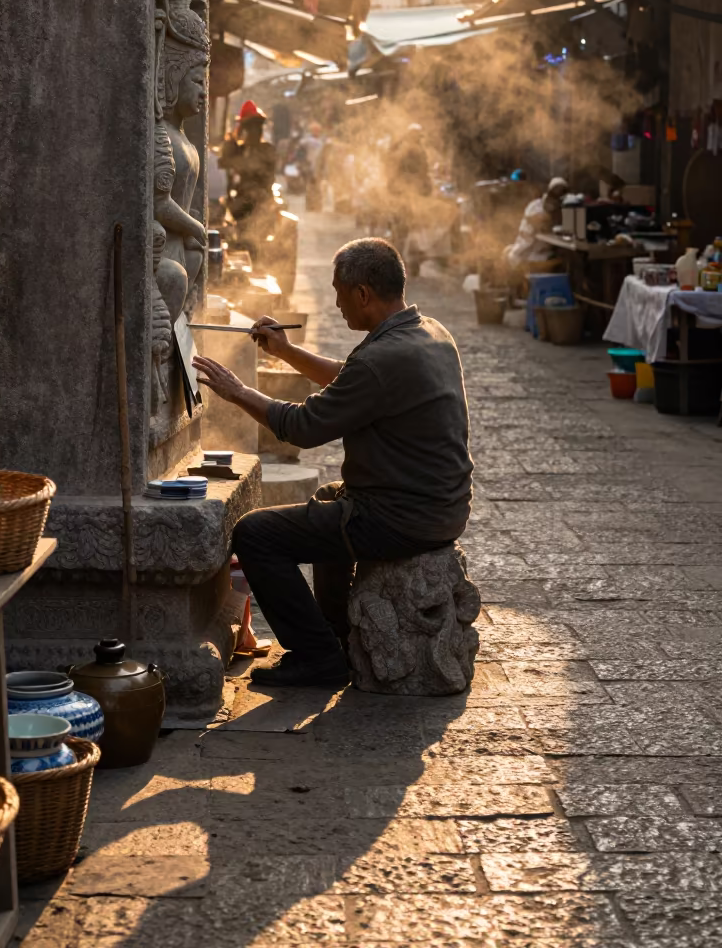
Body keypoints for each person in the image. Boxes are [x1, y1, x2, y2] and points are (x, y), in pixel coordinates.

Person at [191, 237, 474, 689]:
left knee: (254, 533)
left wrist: (238, 391)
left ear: (363, 293)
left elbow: (302, 426)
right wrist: (284, 351)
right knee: (327, 500)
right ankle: (336, 634)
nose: (337, 303)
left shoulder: (383, 357)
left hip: (403, 518)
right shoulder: (429, 332)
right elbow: (352, 379)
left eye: (340, 292)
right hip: (442, 508)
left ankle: (316, 655)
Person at [218, 101, 277, 224]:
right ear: (243, 129)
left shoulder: (267, 150)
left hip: (262, 203)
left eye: (258, 126)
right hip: (243, 204)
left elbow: (267, 177)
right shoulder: (239, 150)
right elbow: (224, 164)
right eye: (250, 127)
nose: (255, 131)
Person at [504, 176, 569, 268]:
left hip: (538, 251)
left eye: (561, 192)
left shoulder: (560, 208)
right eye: (555, 191)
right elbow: (538, 222)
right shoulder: (535, 206)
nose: (557, 194)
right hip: (530, 255)